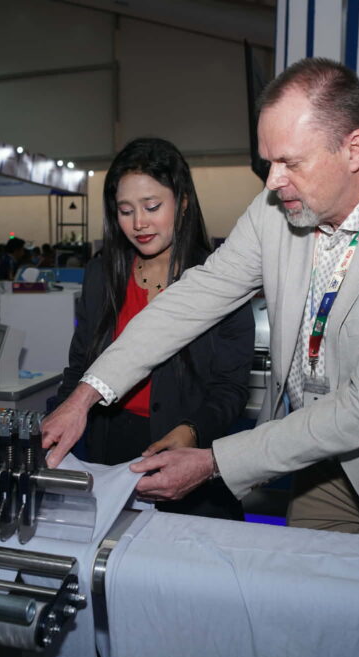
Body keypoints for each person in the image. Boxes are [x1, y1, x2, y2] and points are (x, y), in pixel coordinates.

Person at [42, 58, 359, 546]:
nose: (273, 181)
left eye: (290, 162)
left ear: (354, 149)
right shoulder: (277, 210)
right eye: (269, 162)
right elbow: (193, 298)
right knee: (306, 591)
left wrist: (214, 461)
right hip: (317, 462)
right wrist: (84, 397)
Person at [57, 137, 254, 520]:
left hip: (190, 452)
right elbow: (80, 366)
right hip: (111, 451)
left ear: (183, 202)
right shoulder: (101, 276)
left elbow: (231, 387)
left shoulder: (219, 279)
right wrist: (54, 428)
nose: (138, 223)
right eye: (125, 210)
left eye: (152, 207)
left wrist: (191, 431)